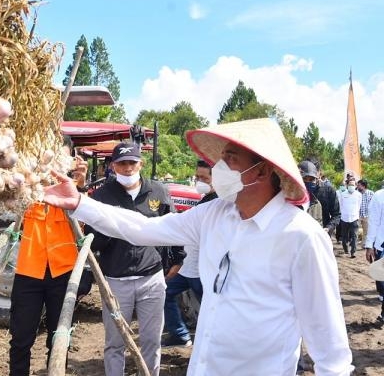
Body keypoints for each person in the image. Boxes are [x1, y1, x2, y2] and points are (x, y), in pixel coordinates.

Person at [44, 118, 353, 376]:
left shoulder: (301, 237)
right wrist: (80, 203)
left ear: (260, 170)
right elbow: (143, 228)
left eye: (231, 159)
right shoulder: (215, 214)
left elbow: (330, 347)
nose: (219, 167)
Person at [84, 142, 172, 376]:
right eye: (122, 163)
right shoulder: (102, 196)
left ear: (140, 164)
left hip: (151, 279)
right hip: (116, 282)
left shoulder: (158, 192)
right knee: (115, 342)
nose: (127, 168)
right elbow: (92, 238)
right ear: (113, 166)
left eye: (132, 162)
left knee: (152, 341)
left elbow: (172, 229)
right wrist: (108, 233)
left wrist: (174, 263)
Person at [8, 137, 88, 376]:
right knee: (21, 339)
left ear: (71, 160)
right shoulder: (26, 186)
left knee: (59, 337)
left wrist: (81, 187)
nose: (54, 164)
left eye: (61, 158)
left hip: (64, 272)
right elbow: (9, 209)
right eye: (50, 157)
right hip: (28, 271)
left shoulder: (77, 190)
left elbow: (87, 224)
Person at [162, 160, 217, 348]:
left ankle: (214, 344)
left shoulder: (218, 204)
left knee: (212, 309)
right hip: (187, 267)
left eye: (204, 178)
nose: (199, 181)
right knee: (165, 292)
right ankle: (179, 334)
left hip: (203, 271)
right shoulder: (204, 200)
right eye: (197, 177)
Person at [298, 160, 340, 235]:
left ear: (318, 172)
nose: (308, 182)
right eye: (305, 178)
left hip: (321, 236)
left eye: (311, 179)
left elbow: (336, 215)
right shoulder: (294, 192)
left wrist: (328, 228)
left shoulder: (328, 190)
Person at [365, 183, 384, 319]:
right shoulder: (379, 196)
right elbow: (374, 222)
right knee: (381, 279)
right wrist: (369, 245)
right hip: (381, 245)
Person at [339, 179, 362, 257]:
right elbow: (340, 205)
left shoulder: (358, 195)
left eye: (353, 185)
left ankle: (353, 252)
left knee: (354, 236)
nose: (351, 186)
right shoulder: (343, 194)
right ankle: (346, 249)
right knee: (344, 236)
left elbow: (359, 206)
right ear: (347, 186)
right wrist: (343, 214)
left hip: (354, 218)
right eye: (350, 185)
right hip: (344, 218)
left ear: (355, 186)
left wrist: (356, 215)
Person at [357, 179, 374, 250]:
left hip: (367, 215)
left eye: (359, 185)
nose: (357, 186)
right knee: (354, 230)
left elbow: (373, 205)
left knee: (366, 231)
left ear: (364, 186)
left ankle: (363, 245)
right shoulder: (356, 193)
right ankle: (353, 245)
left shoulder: (371, 193)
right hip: (357, 215)